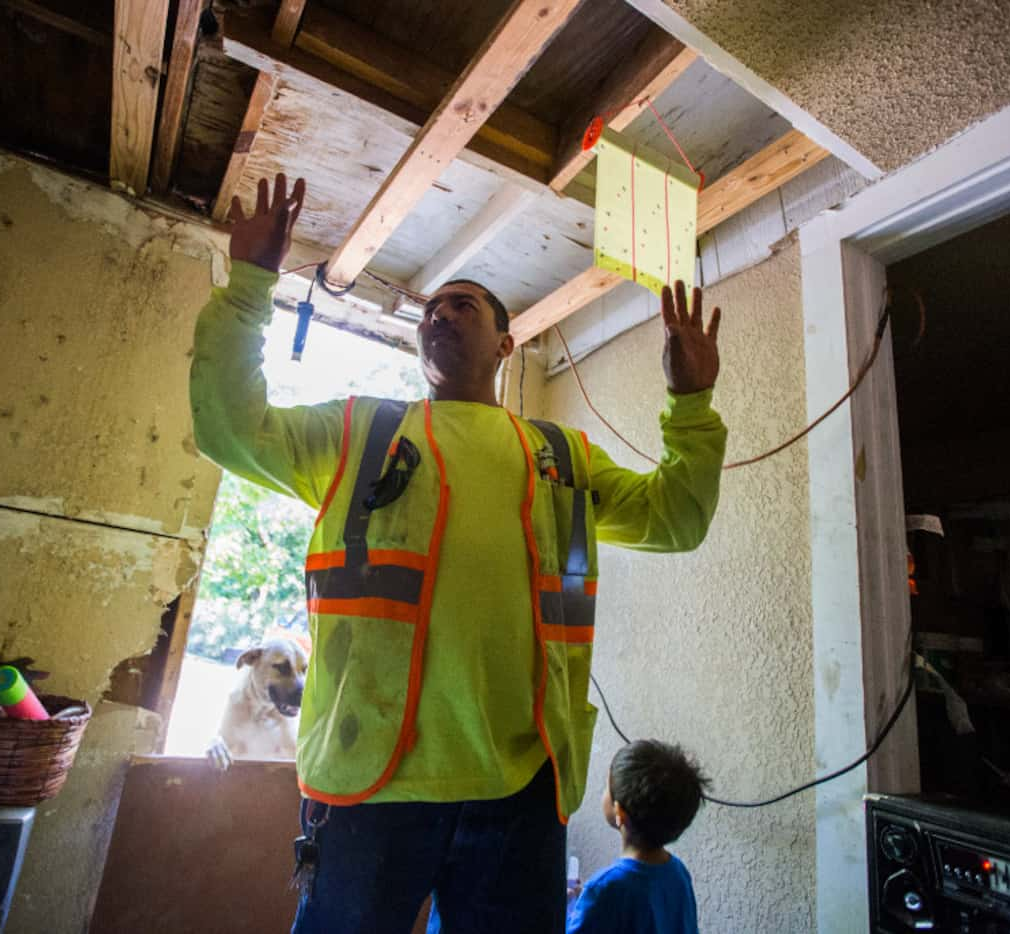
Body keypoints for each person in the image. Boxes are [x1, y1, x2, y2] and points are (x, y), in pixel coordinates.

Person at [188, 173, 728, 934]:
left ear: (507, 344)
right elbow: (229, 427)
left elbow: (676, 519)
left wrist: (692, 405)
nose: (439, 315)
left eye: (462, 305)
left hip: (520, 791)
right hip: (371, 786)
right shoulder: (359, 436)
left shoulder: (560, 458)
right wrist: (249, 288)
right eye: (431, 310)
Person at [567, 740, 710, 934]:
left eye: (606, 788)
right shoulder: (678, 873)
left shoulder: (605, 888)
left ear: (619, 812)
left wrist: (571, 910)